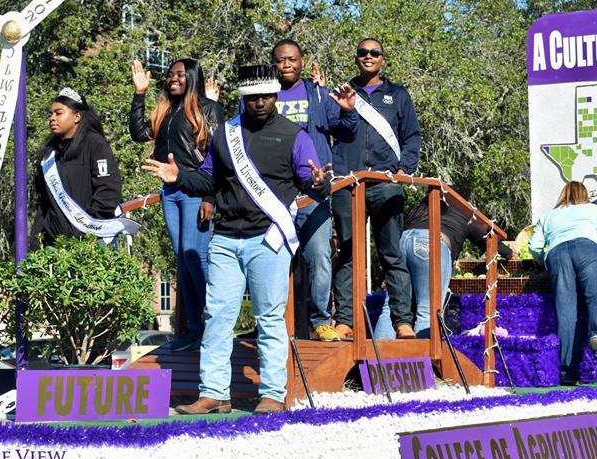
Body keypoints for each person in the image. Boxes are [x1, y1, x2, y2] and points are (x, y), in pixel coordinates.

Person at [143, 64, 330, 415]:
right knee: (216, 316)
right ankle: (214, 392)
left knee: (270, 317)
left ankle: (273, 393)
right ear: (243, 98)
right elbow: (206, 182)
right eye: (252, 97)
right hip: (225, 239)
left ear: (275, 96)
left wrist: (319, 183)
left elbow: (311, 183)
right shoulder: (225, 135)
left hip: (268, 239)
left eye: (265, 96)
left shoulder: (294, 135)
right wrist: (177, 177)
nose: (259, 102)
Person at [129, 58, 225, 351]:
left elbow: (219, 158)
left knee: (197, 258)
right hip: (170, 193)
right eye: (170, 75)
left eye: (180, 75)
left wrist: (211, 198)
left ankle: (214, 327)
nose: (173, 79)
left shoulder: (209, 109)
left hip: (196, 191)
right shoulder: (165, 111)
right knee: (182, 260)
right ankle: (194, 329)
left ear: (193, 78)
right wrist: (140, 93)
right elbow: (137, 133)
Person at [329, 38, 422, 340]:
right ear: (356, 59)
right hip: (348, 183)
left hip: (386, 185)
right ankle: (345, 320)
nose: (368, 57)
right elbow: (339, 133)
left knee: (392, 254)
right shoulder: (342, 93)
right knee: (347, 253)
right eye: (362, 53)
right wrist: (346, 111)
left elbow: (411, 136)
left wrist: (404, 170)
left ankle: (402, 322)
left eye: (374, 53)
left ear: (383, 59)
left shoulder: (398, 95)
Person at [271, 39, 358, 341]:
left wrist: (348, 113)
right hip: (274, 195)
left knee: (320, 255)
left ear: (302, 62)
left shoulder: (318, 95)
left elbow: (346, 129)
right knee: (273, 260)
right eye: (281, 60)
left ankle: (320, 321)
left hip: (314, 191)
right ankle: (274, 325)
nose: (287, 64)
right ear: (274, 63)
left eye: (292, 59)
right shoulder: (262, 97)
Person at [375, 193, 513, 338]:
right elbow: (485, 238)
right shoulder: (464, 210)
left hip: (402, 241)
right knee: (427, 310)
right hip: (431, 243)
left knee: (391, 308)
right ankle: (421, 359)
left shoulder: (422, 210)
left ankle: (376, 359)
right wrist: (509, 253)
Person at [528, 180, 597, 386]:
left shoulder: (549, 216)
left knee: (566, 311)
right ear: (584, 195)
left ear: (562, 195)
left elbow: (534, 246)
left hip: (556, 253)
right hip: (589, 249)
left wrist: (543, 262)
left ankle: (567, 372)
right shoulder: (593, 210)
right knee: (595, 298)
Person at [31, 88, 125, 248]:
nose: (52, 118)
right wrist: (36, 239)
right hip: (55, 245)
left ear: (77, 116)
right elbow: (44, 203)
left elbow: (108, 191)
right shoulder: (49, 154)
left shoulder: (95, 144)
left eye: (58, 113)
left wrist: (88, 231)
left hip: (91, 242)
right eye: (50, 114)